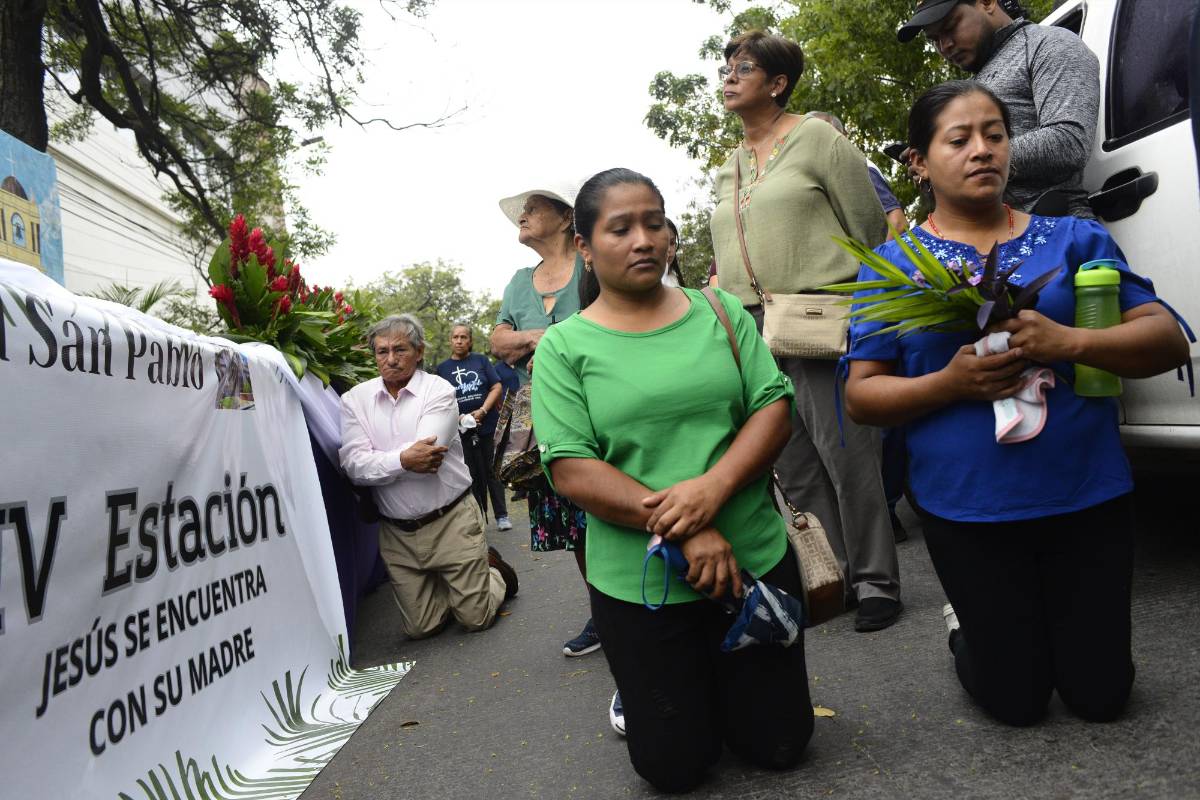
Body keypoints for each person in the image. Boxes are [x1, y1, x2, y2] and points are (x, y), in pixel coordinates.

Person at [843, 81, 1190, 726]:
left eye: (995, 135)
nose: (983, 150)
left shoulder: (1075, 240)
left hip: (1086, 491)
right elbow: (862, 397)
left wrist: (1072, 339)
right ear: (918, 162)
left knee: (1101, 696)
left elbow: (1167, 338)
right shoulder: (894, 267)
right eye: (959, 138)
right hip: (966, 506)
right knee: (1016, 702)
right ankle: (967, 633)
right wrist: (949, 384)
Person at [533, 168, 813, 792]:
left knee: (781, 746)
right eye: (621, 228)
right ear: (583, 245)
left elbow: (773, 407)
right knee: (674, 768)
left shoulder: (721, 312)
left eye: (654, 223)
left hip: (754, 563)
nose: (643, 240)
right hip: (641, 585)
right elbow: (572, 468)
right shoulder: (563, 347)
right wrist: (686, 533)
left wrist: (711, 491)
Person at [710, 30, 902, 631]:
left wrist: (863, 308)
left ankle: (877, 581)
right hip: (750, 328)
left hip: (819, 317)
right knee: (792, 465)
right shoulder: (729, 166)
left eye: (745, 67)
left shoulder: (817, 137)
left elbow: (869, 231)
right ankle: (835, 575)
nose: (730, 77)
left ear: (777, 83)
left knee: (846, 453)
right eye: (726, 68)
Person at [340, 314, 519, 639]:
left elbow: (429, 458)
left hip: (451, 520)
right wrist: (403, 459)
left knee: (475, 618)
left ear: (419, 351)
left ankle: (493, 572)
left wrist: (380, 461)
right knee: (423, 628)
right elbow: (353, 465)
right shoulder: (355, 401)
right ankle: (460, 579)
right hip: (398, 534)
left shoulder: (438, 390)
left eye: (400, 350)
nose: (390, 359)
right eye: (382, 351)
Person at [490, 183, 597, 657]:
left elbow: (609, 320)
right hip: (544, 420)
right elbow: (498, 342)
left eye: (532, 209)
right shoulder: (518, 280)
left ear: (564, 215)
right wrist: (543, 339)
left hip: (596, 402)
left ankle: (653, 602)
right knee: (576, 517)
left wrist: (537, 344)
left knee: (612, 503)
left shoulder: (590, 264)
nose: (523, 217)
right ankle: (605, 612)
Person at [898, 0, 1100, 218]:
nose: (944, 45)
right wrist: (931, 168)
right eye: (935, 39)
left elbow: (1070, 142)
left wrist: (950, 162)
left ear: (987, 2)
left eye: (950, 27)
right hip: (988, 241)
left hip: (1056, 236)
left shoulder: (1048, 44)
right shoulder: (975, 83)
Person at [435, 323, 511, 531]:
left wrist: (483, 411)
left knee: (492, 470)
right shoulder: (442, 369)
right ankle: (479, 517)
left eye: (463, 337)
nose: (459, 341)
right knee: (471, 475)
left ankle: (502, 515)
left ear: (470, 341)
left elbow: (496, 386)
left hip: (487, 426)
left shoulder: (481, 361)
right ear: (450, 341)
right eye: (455, 337)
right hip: (461, 432)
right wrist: (458, 418)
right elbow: (440, 400)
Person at [806, 111, 910, 237]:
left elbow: (898, 222)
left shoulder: (860, 167)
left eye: (824, 135)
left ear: (843, 136)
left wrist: (876, 257)